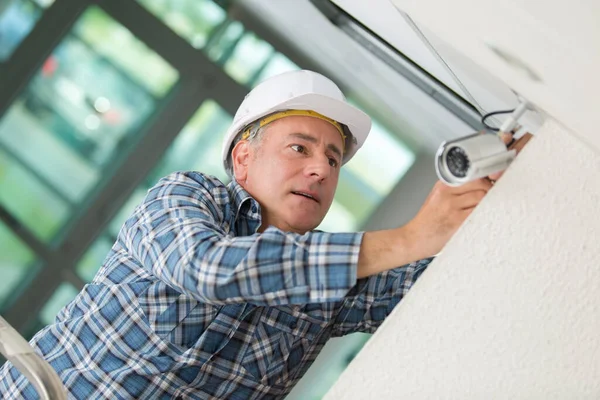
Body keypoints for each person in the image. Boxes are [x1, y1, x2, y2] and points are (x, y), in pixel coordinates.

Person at [0, 70, 527, 399]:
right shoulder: (185, 198)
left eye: (333, 158)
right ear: (243, 158)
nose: (321, 169)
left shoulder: (331, 291)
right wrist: (412, 236)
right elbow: (210, 270)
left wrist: (510, 185)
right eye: (300, 148)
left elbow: (448, 284)